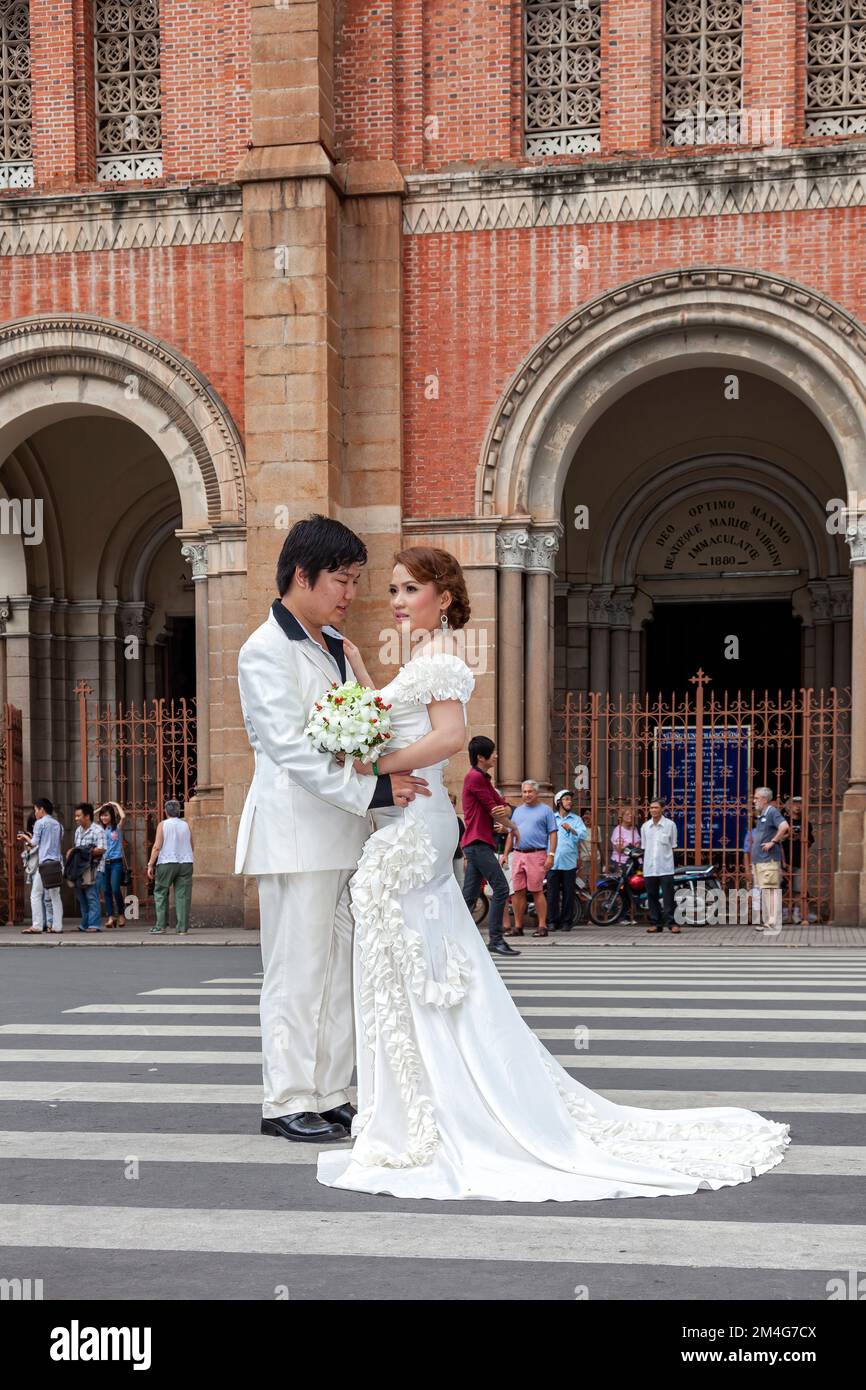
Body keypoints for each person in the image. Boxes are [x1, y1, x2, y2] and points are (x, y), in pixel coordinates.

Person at [316, 545, 790, 1202]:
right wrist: (362, 695)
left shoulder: (444, 660)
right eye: (392, 590)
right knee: (419, 961)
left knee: (420, 960)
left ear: (444, 597)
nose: (397, 600)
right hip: (403, 822)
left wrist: (375, 765)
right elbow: (400, 721)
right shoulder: (413, 662)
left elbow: (451, 738)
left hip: (414, 828)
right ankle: (417, 1103)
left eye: (410, 589)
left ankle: (439, 1110)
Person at [235, 515, 430, 1145]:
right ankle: (285, 1098)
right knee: (296, 971)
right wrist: (372, 789)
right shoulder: (264, 650)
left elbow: (357, 732)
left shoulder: (332, 645)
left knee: (340, 967)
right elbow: (291, 749)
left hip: (344, 834)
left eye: (353, 581)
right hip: (295, 837)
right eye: (340, 581)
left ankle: (330, 1091)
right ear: (302, 575)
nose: (349, 593)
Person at [460, 734, 521, 956]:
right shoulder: (474, 778)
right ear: (480, 757)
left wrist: (507, 815)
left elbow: (502, 805)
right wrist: (513, 827)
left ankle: (454, 938)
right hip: (477, 843)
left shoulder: (484, 778)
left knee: (469, 896)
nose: (496, 755)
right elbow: (494, 810)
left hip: (479, 842)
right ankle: (495, 939)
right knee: (502, 887)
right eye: (492, 752)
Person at [502, 780, 558, 938]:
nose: (527, 794)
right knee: (517, 892)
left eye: (530, 791)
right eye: (524, 792)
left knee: (537, 891)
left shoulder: (546, 810)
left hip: (537, 854)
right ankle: (518, 927)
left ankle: (542, 926)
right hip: (518, 854)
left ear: (536, 793)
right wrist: (506, 854)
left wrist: (551, 855)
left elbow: (553, 833)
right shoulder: (518, 811)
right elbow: (511, 833)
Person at [147, 800, 195, 935]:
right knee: (183, 895)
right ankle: (182, 928)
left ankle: (161, 925)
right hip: (186, 862)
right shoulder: (186, 825)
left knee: (161, 892)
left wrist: (151, 864)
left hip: (167, 861)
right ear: (179, 811)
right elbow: (192, 846)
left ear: (166, 811)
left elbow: (157, 846)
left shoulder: (163, 825)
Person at [18, 799, 64, 934]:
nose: (35, 812)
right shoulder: (58, 824)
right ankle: (57, 926)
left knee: (35, 894)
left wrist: (24, 838)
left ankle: (37, 925)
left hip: (44, 865)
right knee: (55, 896)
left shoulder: (40, 823)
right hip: (57, 863)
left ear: (42, 809)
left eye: (36, 809)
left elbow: (34, 843)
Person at [546, 789, 587, 931]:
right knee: (552, 894)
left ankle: (566, 921)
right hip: (553, 862)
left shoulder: (576, 819)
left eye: (570, 799)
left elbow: (583, 835)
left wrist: (571, 829)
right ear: (559, 802)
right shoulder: (551, 818)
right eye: (566, 799)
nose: (570, 802)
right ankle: (552, 921)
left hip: (569, 862)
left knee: (569, 893)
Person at [751, 787, 789, 932]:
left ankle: (772, 921)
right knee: (766, 891)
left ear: (764, 799)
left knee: (770, 891)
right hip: (760, 861)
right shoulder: (763, 814)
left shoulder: (772, 811)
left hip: (768, 860)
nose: (754, 801)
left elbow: (785, 827)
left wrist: (773, 841)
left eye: (756, 798)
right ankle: (769, 920)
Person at [641, 798, 680, 934]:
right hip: (650, 867)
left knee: (668, 896)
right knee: (652, 895)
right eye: (651, 808)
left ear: (662, 809)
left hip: (665, 867)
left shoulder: (670, 825)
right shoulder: (645, 827)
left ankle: (671, 923)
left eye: (656, 808)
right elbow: (644, 847)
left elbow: (673, 846)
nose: (653, 810)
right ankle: (655, 923)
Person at [66, 803, 105, 931]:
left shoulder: (98, 830)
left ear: (87, 816)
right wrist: (73, 851)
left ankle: (94, 924)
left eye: (78, 816)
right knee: (81, 898)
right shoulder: (78, 831)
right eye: (75, 816)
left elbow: (102, 849)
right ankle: (85, 923)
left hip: (94, 868)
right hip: (79, 869)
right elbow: (77, 848)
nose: (76, 818)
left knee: (91, 896)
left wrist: (83, 851)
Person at [785, 796, 815, 924]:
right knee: (784, 889)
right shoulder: (783, 822)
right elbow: (777, 839)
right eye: (794, 804)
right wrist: (788, 835)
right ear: (788, 807)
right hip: (784, 860)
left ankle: (798, 914)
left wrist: (802, 838)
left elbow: (809, 842)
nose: (797, 807)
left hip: (799, 859)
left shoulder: (806, 823)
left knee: (798, 889)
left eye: (800, 804)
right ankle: (785, 913)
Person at [98, 802, 127, 929]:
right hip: (104, 863)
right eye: (102, 816)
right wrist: (100, 808)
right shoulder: (100, 830)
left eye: (106, 815)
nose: (103, 818)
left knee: (115, 889)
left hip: (116, 862)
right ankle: (111, 917)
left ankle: (121, 914)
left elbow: (124, 816)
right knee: (106, 891)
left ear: (112, 816)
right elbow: (89, 816)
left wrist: (115, 804)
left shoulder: (117, 828)